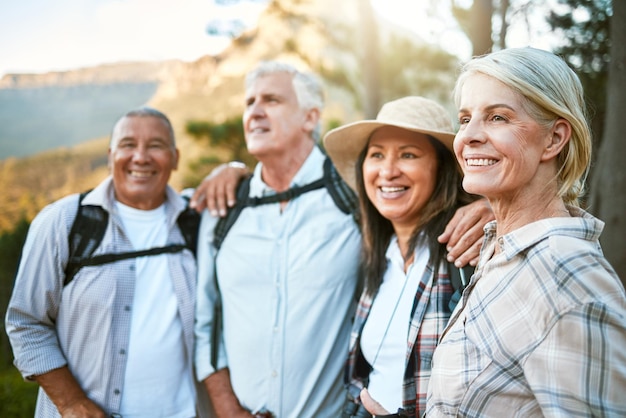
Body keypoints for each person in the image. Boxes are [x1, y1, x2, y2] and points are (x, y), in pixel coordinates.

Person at [193, 61, 493, 418]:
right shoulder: (222, 209)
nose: (255, 112)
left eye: (271, 100)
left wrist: (491, 205)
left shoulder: (460, 247)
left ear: (310, 117)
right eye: (249, 102)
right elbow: (205, 324)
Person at [426, 47, 626, 417]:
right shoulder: (499, 251)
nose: (468, 136)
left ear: (554, 139)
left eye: (497, 117)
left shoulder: (569, 277)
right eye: (465, 118)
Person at [6, 107, 209, 418]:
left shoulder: (199, 220)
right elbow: (26, 323)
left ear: (176, 157)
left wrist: (233, 167)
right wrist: (71, 403)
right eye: (128, 145)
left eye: (155, 145)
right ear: (110, 153)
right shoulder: (63, 222)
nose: (141, 157)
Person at [323, 96, 477, 418]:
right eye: (377, 155)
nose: (388, 171)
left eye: (408, 154)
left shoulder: (469, 252)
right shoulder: (379, 258)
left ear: (442, 167)